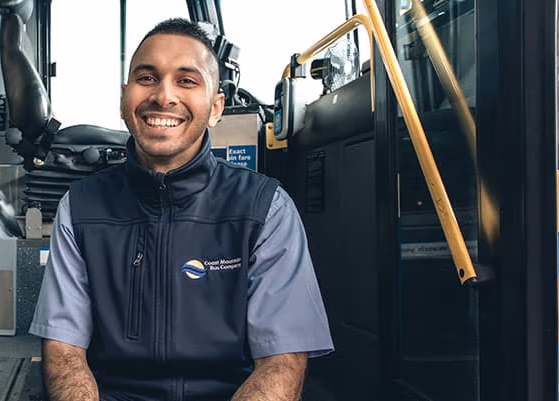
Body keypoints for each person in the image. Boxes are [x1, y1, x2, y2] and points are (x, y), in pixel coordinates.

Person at [29, 18, 334, 401]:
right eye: (147, 78)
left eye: (187, 81)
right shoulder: (80, 208)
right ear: (125, 97)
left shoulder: (265, 209)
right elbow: (65, 353)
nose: (164, 96)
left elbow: (282, 361)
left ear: (216, 106)